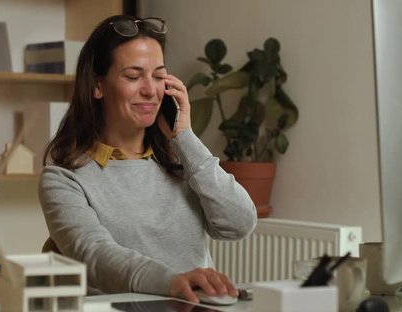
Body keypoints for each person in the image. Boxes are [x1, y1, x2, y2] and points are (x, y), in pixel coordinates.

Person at [38, 15, 257, 303]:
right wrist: (174, 282)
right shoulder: (63, 178)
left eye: (158, 76)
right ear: (97, 86)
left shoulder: (182, 164)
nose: (151, 90)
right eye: (133, 76)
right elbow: (95, 254)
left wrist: (185, 138)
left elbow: (239, 224)